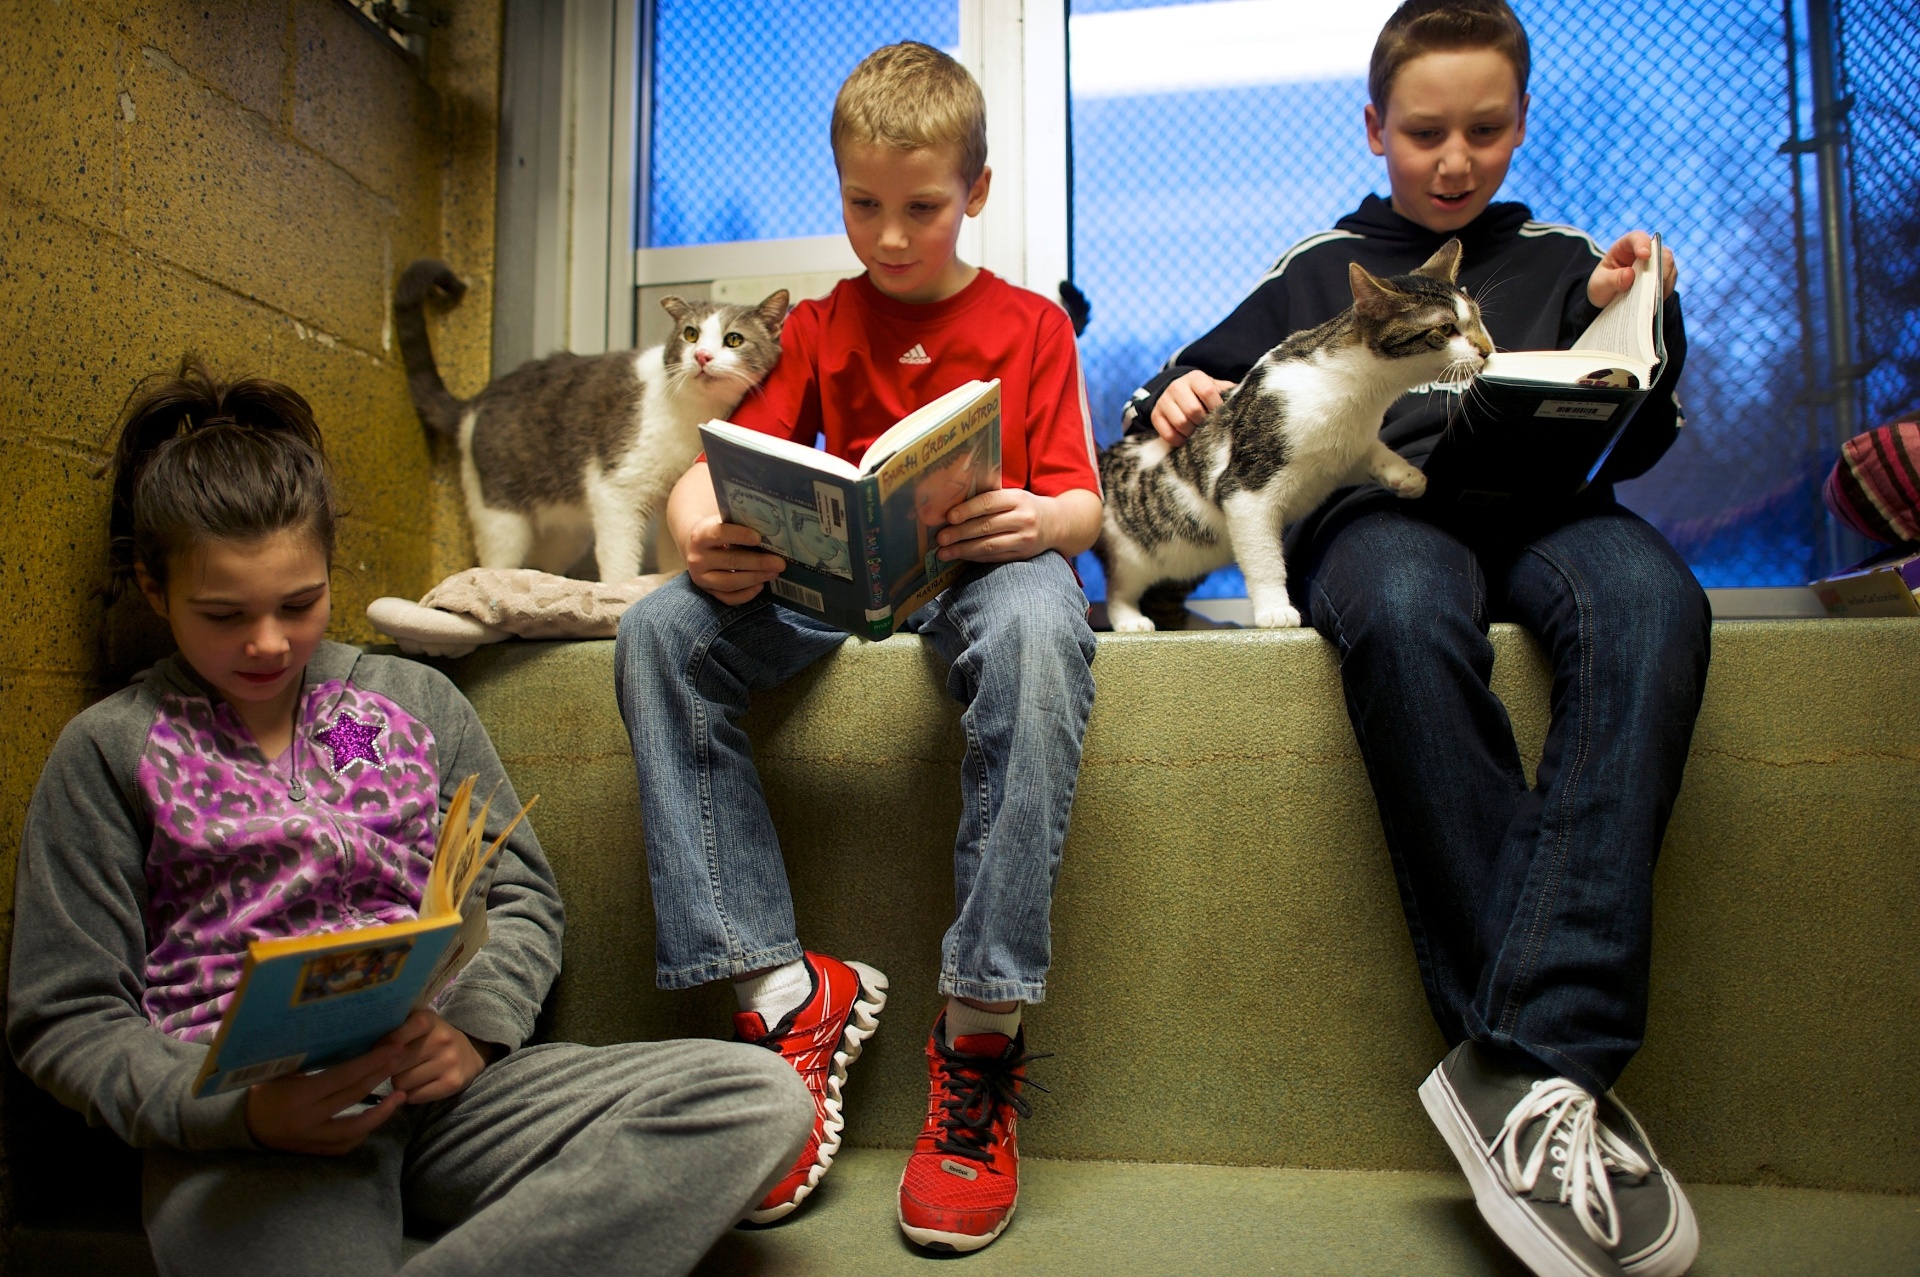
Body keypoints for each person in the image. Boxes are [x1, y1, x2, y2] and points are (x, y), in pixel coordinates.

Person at [6, 359, 814, 1277]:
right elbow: (62, 1015)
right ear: (156, 591)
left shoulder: (405, 698)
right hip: (250, 1132)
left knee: (756, 1098)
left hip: (444, 1096)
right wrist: (238, 1111)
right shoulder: (109, 749)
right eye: (224, 615)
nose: (268, 641)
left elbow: (520, 894)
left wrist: (471, 1033)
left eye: (299, 604)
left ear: (329, 568)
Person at [1128, 4, 1706, 1275]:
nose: (1455, 160)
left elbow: (1648, 429)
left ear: (1520, 124)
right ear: (1377, 127)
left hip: (1557, 513)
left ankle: (1521, 1066)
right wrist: (1173, 392)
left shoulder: (1564, 254)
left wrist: (1647, 314)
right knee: (1397, 612)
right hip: (1380, 515)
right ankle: (1557, 1072)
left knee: (1659, 605)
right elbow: (1184, 398)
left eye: (1486, 130)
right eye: (1427, 132)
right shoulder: (1319, 262)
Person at [615, 41, 1103, 1255]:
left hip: (982, 578)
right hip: (833, 592)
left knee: (1048, 615)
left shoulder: (1031, 324)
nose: (890, 235)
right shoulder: (821, 324)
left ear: (977, 192)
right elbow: (704, 478)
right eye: (863, 206)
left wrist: (1035, 520)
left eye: (922, 207)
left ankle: (978, 1031)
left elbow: (1082, 503)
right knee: (659, 631)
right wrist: (704, 539)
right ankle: (784, 994)